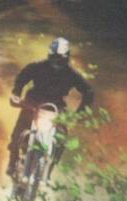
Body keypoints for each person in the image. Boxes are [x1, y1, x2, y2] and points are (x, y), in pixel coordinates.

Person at [6, 37, 94, 179]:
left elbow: (88, 92)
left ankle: (50, 167)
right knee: (18, 133)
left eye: (60, 59)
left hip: (56, 110)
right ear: (49, 56)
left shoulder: (72, 74)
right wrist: (16, 94)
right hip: (32, 105)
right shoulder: (37, 67)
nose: (56, 62)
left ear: (66, 58)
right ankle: (12, 161)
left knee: (61, 138)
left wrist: (79, 114)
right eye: (53, 58)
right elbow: (23, 76)